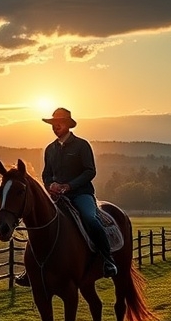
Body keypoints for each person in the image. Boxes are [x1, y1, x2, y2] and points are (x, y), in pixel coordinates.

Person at [16, 107, 118, 287]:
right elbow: (46, 174)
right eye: (53, 124)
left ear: (68, 125)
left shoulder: (81, 145)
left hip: (81, 194)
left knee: (90, 218)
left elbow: (90, 171)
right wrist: (50, 185)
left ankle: (107, 259)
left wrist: (69, 185)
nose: (55, 126)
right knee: (40, 222)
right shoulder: (50, 149)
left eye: (59, 123)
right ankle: (32, 268)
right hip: (56, 197)